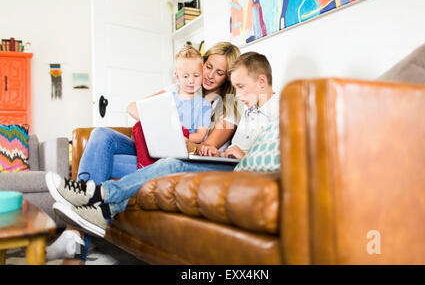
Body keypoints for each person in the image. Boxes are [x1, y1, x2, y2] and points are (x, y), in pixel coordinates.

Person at [47, 51, 279, 241]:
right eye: (208, 67)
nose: (209, 76)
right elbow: (135, 108)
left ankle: (94, 200)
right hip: (167, 147)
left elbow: (259, 150)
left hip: (210, 160)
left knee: (170, 164)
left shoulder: (237, 105)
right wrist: (165, 124)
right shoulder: (188, 91)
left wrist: (217, 149)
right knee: (101, 136)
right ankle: (88, 198)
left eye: (220, 73)